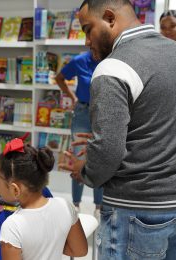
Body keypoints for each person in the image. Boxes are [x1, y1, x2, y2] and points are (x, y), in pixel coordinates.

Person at [59, 0, 176, 259]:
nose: (86, 41)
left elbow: (108, 151)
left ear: (109, 17)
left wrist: (85, 169)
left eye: (87, 29)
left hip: (139, 208)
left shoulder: (112, 68)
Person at [0, 139, 87, 260]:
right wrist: (54, 243)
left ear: (15, 190)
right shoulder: (65, 205)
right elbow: (80, 250)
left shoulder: (12, 226)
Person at [55, 52, 103, 213]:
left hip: (103, 112)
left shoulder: (112, 58)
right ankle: (76, 204)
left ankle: (99, 205)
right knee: (78, 157)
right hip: (82, 112)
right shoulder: (79, 60)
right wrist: (72, 97)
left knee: (100, 157)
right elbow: (59, 78)